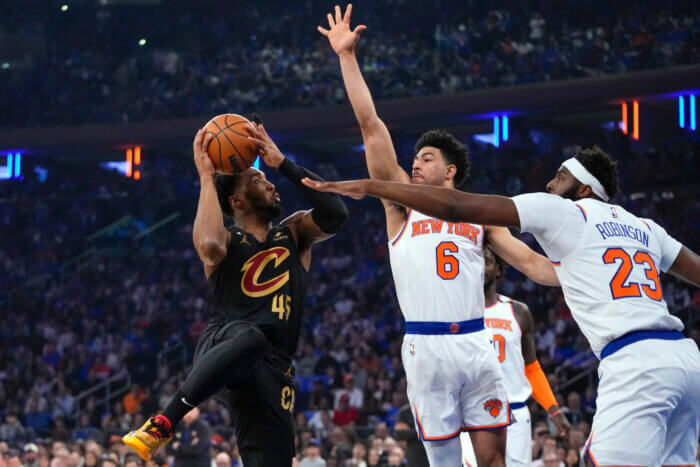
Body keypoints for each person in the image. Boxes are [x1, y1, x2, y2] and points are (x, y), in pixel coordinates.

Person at [303, 145, 700, 467]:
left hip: (635, 362)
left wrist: (373, 187)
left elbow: (457, 208)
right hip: (685, 359)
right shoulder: (646, 227)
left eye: (560, 177)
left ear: (583, 189)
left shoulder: (564, 211)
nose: (549, 182)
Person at [317, 5, 559, 465]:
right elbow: (371, 128)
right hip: (425, 346)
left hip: (476, 342)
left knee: (493, 462)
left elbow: (530, 263)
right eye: (415, 157)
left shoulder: (478, 216)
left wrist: (585, 274)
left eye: (426, 158)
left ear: (449, 170)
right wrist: (346, 58)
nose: (415, 163)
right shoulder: (401, 204)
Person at [122, 118, 349, 466]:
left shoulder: (294, 232)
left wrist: (283, 163)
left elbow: (336, 213)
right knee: (250, 337)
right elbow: (209, 245)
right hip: (224, 343)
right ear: (238, 201)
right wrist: (205, 179)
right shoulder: (227, 239)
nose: (270, 184)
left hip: (273, 368)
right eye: (258, 180)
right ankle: (161, 424)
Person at [462, 247, 570, 466]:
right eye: (475, 261)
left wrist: (553, 408)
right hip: (473, 413)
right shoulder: (456, 312)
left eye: (487, 261)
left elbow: (531, 368)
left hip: (515, 413)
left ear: (499, 268)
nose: (481, 267)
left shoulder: (518, 312)